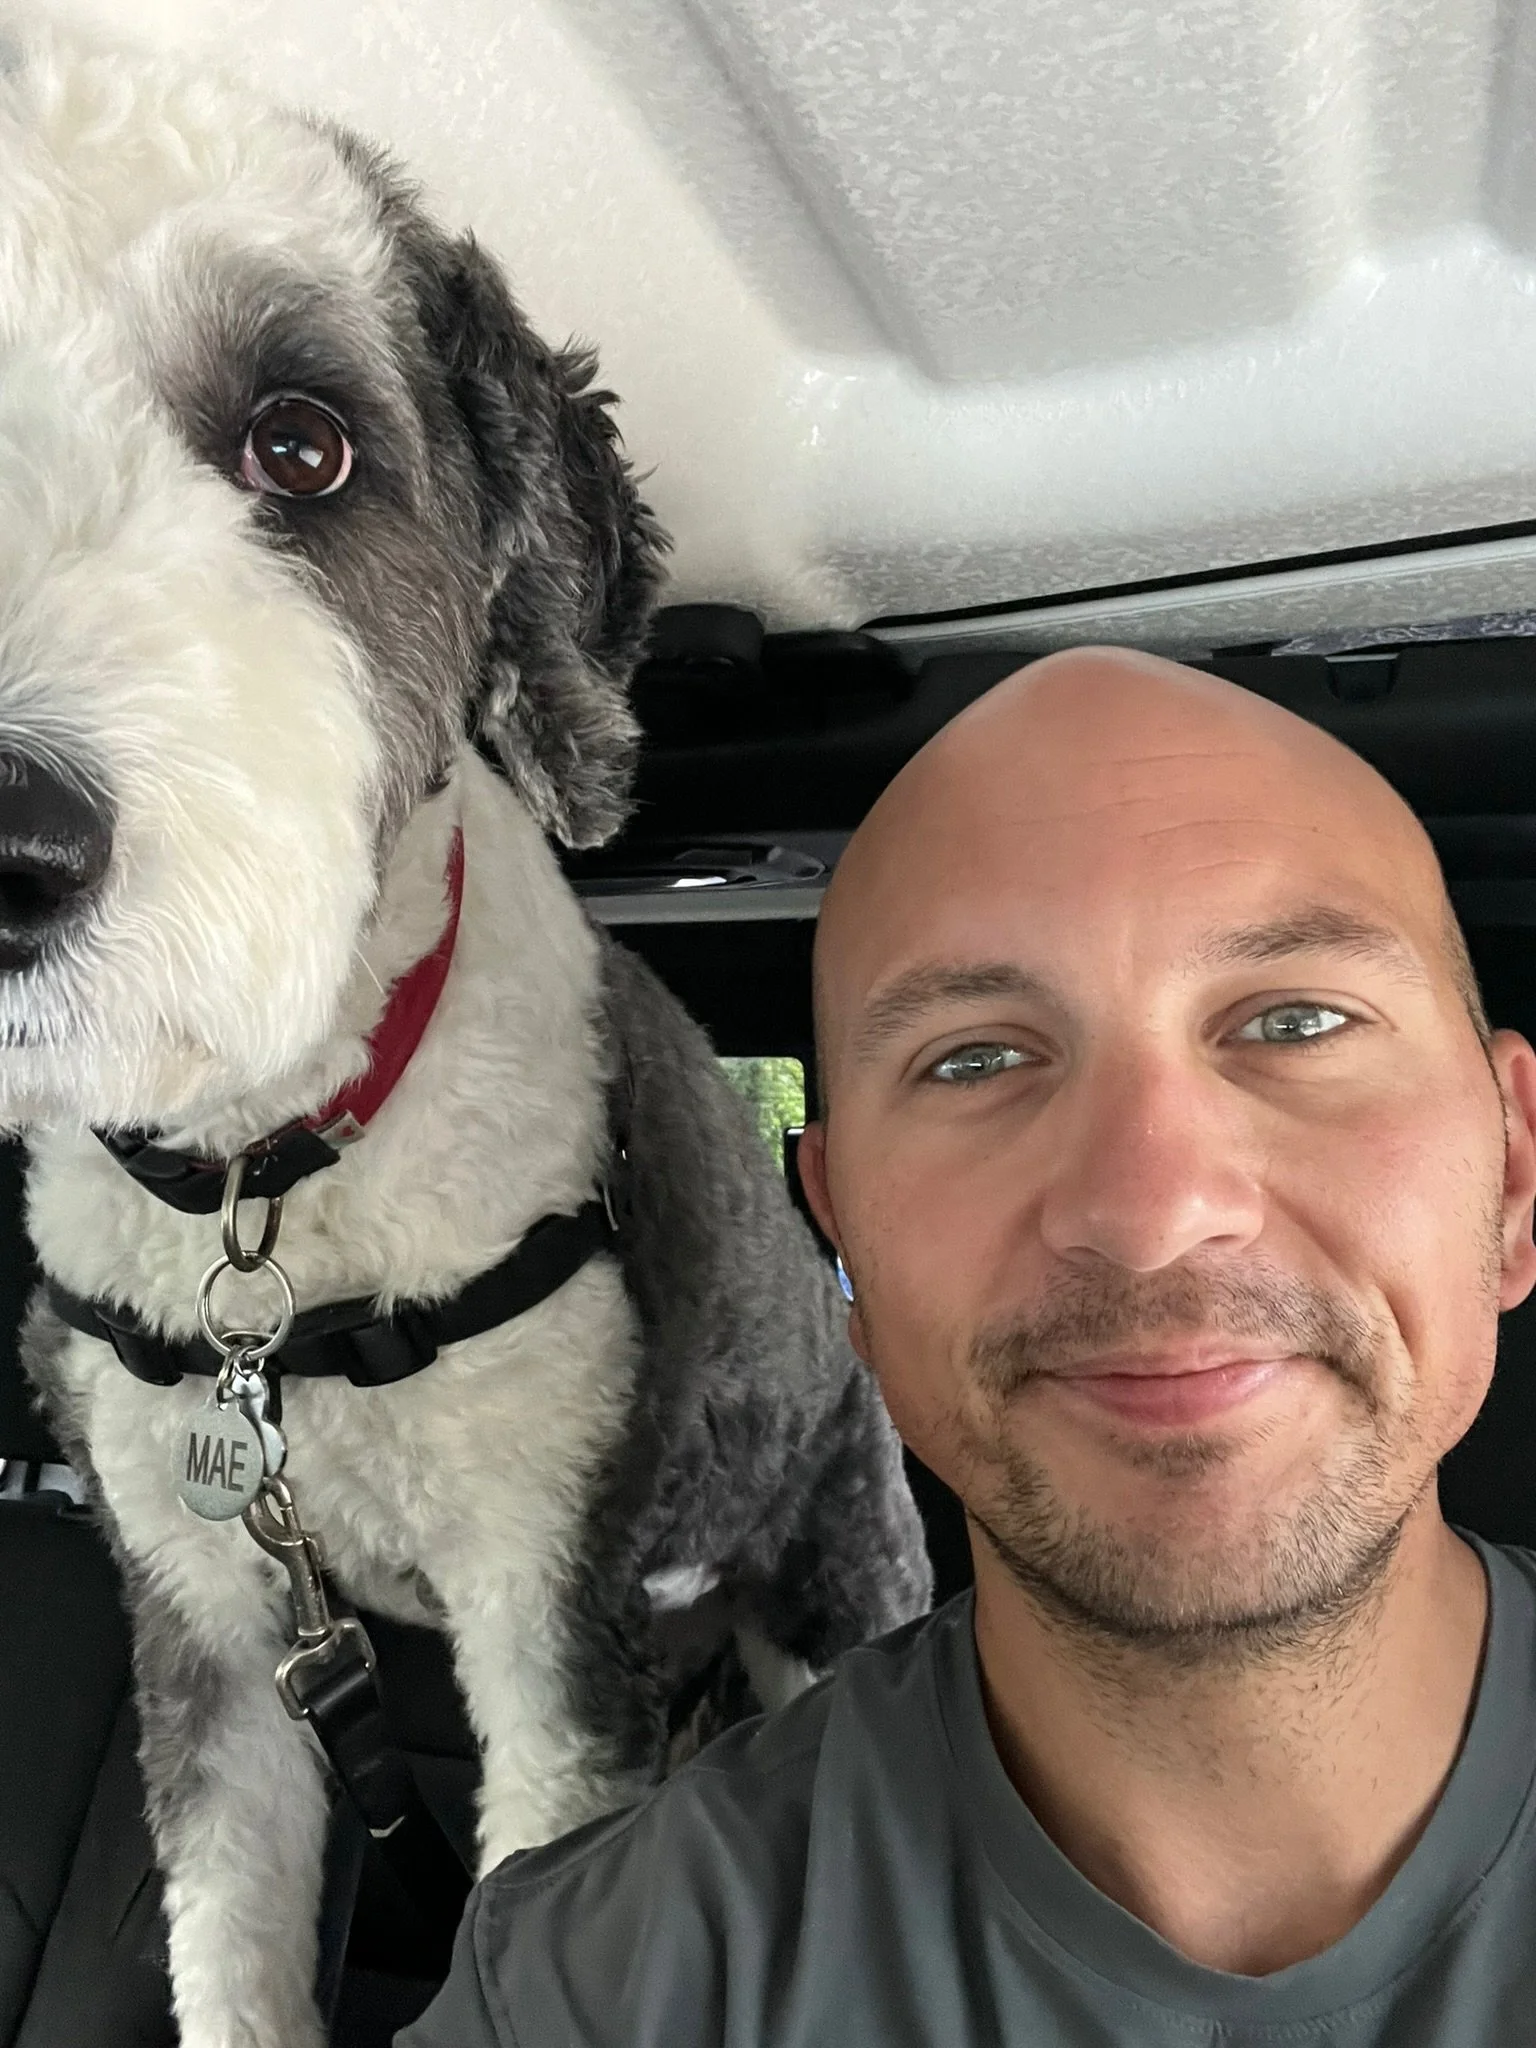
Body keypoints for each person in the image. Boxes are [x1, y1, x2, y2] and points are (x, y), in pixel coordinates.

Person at [402, 646, 1536, 2046]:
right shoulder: (600, 1989)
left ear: (1513, 1175)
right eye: (976, 1059)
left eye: (1294, 1022)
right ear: (843, 1244)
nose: (1152, 1210)